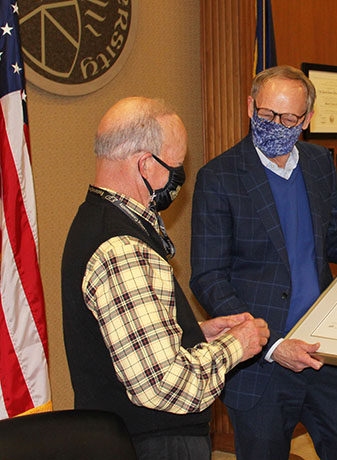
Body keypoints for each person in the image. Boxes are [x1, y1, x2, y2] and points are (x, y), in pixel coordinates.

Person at [61, 97, 270, 460]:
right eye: (175, 167)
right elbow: (165, 385)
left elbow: (126, 342)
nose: (179, 180)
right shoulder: (121, 248)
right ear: (145, 164)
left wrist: (194, 334)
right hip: (154, 442)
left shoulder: (96, 219)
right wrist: (237, 344)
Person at [190, 65, 337, 460]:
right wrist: (272, 345)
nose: (275, 125)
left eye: (289, 118)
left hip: (325, 350)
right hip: (260, 362)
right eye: (266, 114)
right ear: (250, 107)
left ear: (307, 119)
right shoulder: (219, 177)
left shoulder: (318, 163)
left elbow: (332, 239)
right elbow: (208, 277)